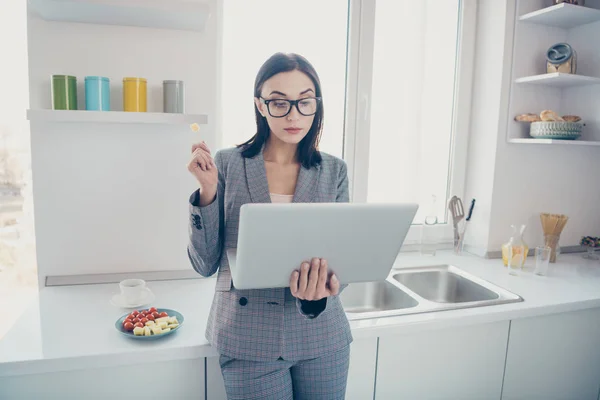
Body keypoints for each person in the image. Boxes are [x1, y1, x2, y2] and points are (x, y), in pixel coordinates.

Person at [187, 52, 352, 400]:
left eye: (304, 102)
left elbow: (342, 262)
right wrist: (208, 191)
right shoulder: (227, 164)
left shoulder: (334, 171)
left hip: (322, 336)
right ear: (260, 106)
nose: (293, 114)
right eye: (279, 103)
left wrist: (324, 288)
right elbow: (205, 263)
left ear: (316, 105)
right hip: (248, 339)